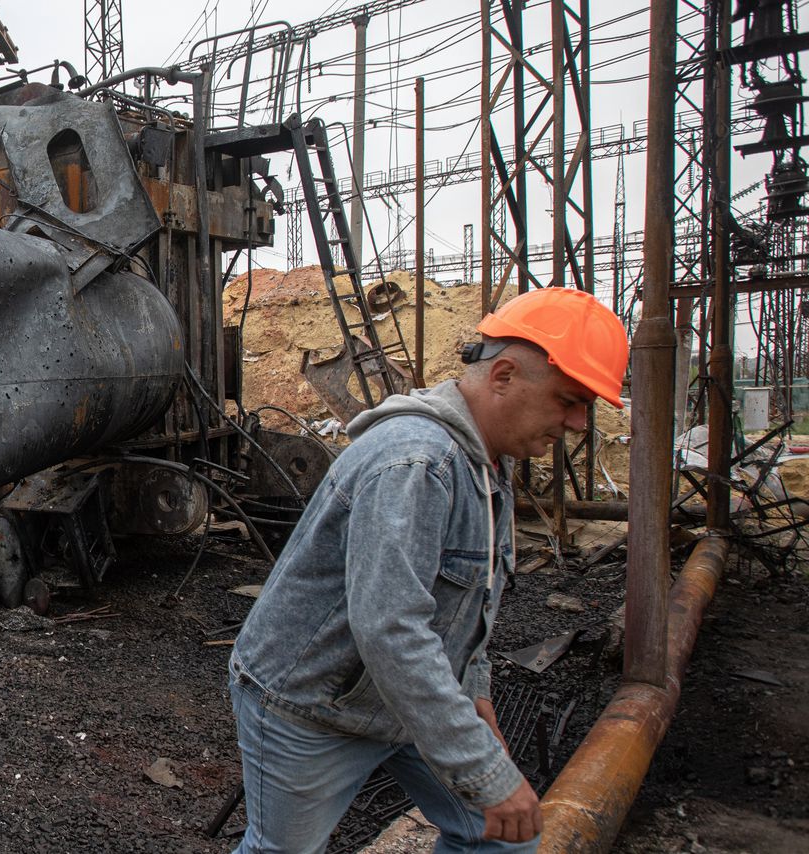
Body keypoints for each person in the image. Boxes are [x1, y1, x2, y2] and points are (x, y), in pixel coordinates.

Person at [228, 288, 629, 853]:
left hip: (403, 698)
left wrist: (476, 694)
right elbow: (391, 630)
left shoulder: (485, 461)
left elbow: (470, 600)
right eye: (569, 399)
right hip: (312, 706)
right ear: (505, 374)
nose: (580, 422)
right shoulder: (415, 464)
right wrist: (484, 772)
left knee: (503, 837)